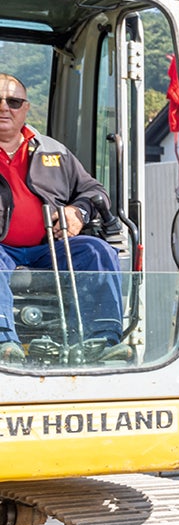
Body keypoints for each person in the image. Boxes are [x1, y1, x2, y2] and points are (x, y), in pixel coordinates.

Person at [0, 74, 130, 365]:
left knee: (97, 250)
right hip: (1, 250)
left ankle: (103, 338)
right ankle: (4, 342)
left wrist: (78, 212)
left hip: (50, 248)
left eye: (13, 101)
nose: (4, 108)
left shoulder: (54, 152)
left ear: (26, 109)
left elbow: (95, 192)